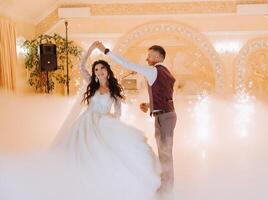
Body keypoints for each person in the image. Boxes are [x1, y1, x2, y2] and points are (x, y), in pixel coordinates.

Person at [0, 41, 160, 200]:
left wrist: (112, 125)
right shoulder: (91, 83)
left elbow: (118, 113)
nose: (99, 72)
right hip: (86, 123)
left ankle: (103, 182)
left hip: (105, 123)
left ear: (107, 70)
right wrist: (91, 49)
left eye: (102, 68)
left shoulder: (114, 91)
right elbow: (81, 66)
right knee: (80, 152)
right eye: (96, 69)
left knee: (106, 155)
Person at [97, 41, 177, 194]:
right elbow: (166, 95)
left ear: (159, 56)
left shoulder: (154, 71)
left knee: (165, 153)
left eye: (149, 56)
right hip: (165, 115)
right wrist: (150, 105)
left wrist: (106, 51)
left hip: (165, 117)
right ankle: (165, 186)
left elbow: (127, 64)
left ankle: (167, 191)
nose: (147, 59)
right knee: (163, 151)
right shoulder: (165, 72)